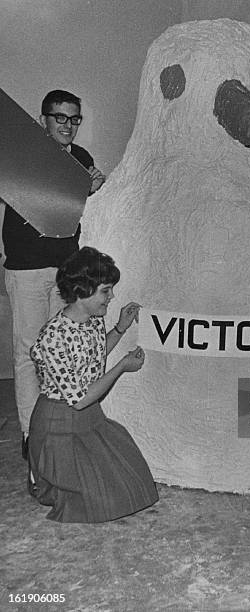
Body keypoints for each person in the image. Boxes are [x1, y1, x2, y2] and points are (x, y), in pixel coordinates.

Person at [2, 90, 105, 459]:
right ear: (43, 118)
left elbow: (82, 214)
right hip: (26, 268)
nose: (67, 125)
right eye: (59, 117)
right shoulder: (21, 154)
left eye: (73, 119)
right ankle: (32, 436)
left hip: (66, 271)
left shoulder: (81, 160)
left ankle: (56, 432)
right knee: (28, 352)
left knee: (58, 353)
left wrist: (95, 189)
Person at [29, 247, 158, 522]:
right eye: (105, 291)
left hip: (89, 419)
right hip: (59, 425)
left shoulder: (92, 321)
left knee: (134, 484)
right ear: (81, 290)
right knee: (99, 501)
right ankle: (41, 474)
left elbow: (93, 357)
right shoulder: (53, 336)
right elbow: (79, 399)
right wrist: (122, 366)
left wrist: (120, 328)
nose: (111, 297)